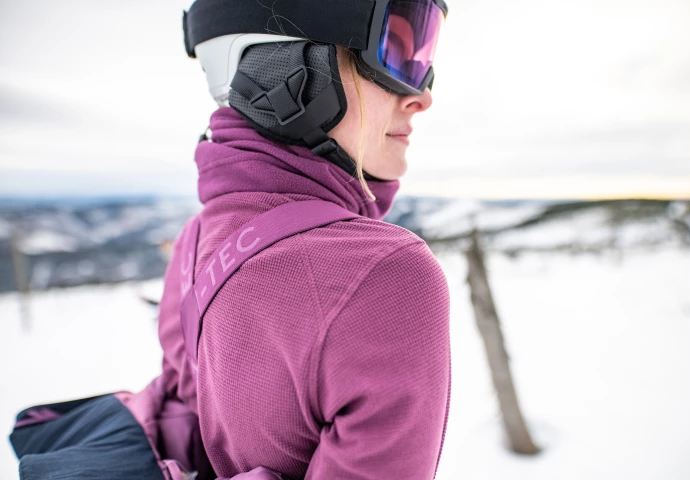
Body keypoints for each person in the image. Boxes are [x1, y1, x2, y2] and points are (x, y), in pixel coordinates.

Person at [8, 1, 452, 479]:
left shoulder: (196, 239)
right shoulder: (384, 275)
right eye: (394, 56)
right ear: (288, 72)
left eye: (422, 55)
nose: (422, 96)